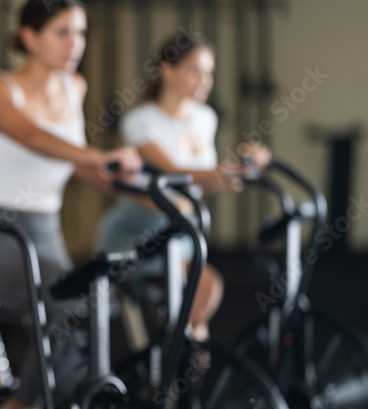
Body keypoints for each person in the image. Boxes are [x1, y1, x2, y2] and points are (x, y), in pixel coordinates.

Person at [0, 0, 140, 409]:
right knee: (70, 303)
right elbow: (32, 137)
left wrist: (136, 185)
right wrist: (102, 154)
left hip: (46, 233)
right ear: (29, 37)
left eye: (80, 32)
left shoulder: (73, 87)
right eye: (63, 32)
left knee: (89, 305)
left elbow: (72, 162)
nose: (75, 43)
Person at [94, 32, 270, 342]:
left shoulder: (205, 118)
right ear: (167, 70)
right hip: (140, 229)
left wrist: (244, 169)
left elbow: (199, 183)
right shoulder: (140, 121)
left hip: (183, 229)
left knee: (205, 296)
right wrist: (228, 171)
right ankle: (172, 363)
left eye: (209, 72)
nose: (205, 80)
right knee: (174, 311)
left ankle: (177, 369)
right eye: (195, 70)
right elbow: (173, 174)